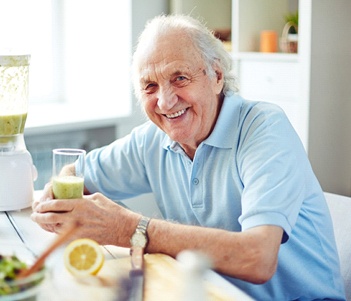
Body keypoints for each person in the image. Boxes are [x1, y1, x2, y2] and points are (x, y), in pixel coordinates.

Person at [31, 14, 346, 300]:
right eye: (150, 85)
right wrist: (54, 198)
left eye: (180, 78)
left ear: (217, 77)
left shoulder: (263, 128)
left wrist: (132, 229)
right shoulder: (152, 140)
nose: (166, 101)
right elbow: (76, 172)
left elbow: (258, 257)